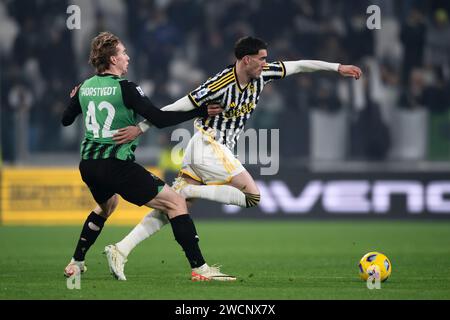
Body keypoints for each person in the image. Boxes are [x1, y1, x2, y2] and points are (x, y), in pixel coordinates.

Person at [106, 36, 362, 280]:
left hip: (203, 147)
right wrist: (141, 128)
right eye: (261, 59)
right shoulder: (219, 84)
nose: (266, 63)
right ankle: (186, 194)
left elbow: (299, 66)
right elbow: (179, 105)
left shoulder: (263, 75)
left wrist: (337, 67)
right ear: (246, 60)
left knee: (172, 207)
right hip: (210, 145)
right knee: (252, 196)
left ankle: (120, 249)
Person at [62, 31, 235, 281]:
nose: (128, 58)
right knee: (176, 202)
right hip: (116, 165)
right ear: (112, 60)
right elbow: (160, 119)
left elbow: (66, 120)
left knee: (106, 206)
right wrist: (200, 110)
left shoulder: (85, 88)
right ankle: (200, 268)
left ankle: (76, 262)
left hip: (89, 165)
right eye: (123, 53)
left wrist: (74, 98)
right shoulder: (127, 89)